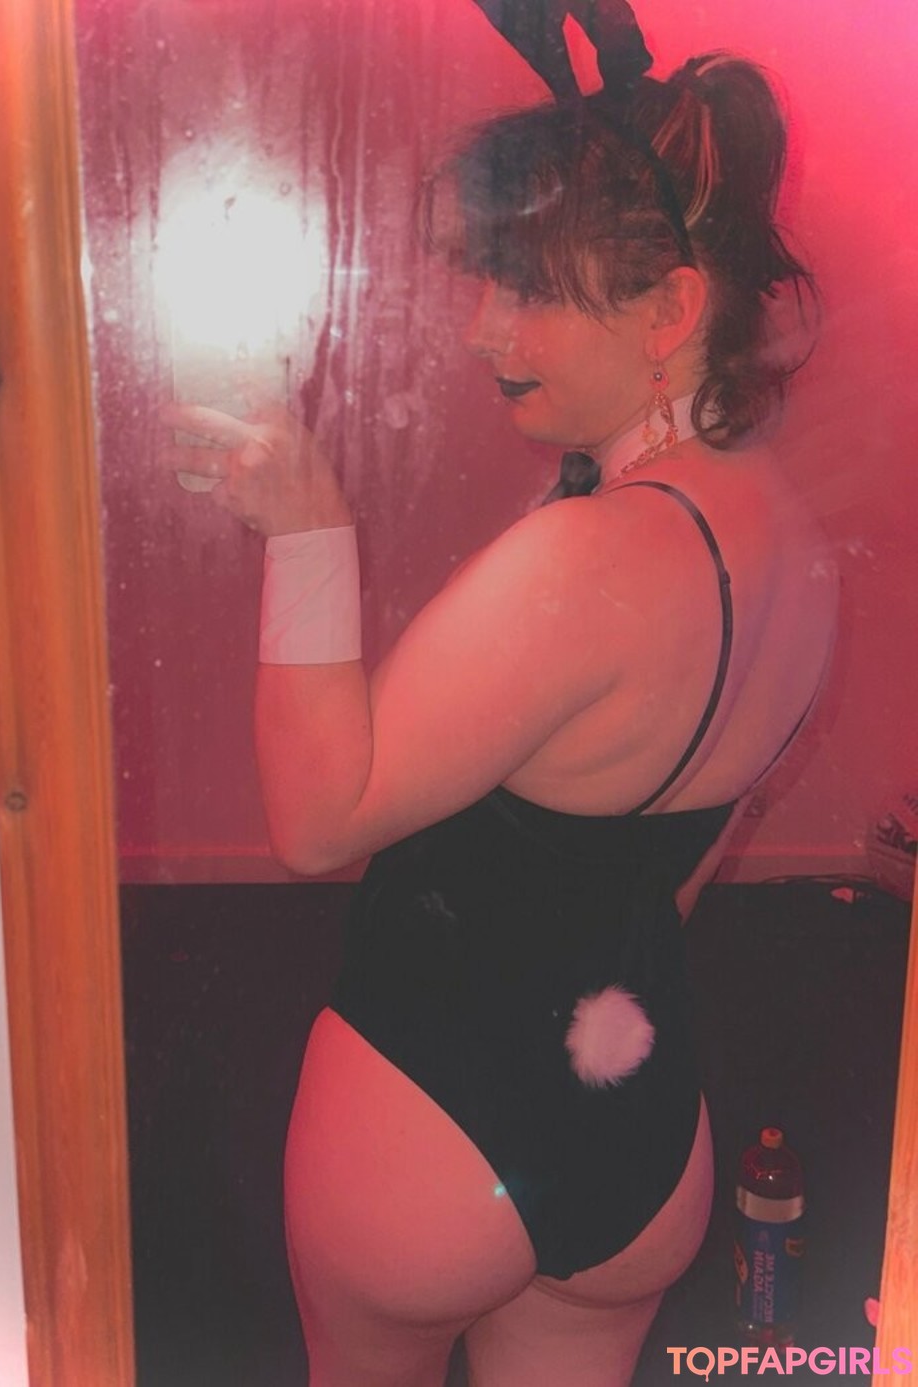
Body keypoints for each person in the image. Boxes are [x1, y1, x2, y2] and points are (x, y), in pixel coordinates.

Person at [164, 7, 837, 1383]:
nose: (483, 330)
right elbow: (670, 869)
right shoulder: (794, 543)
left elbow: (318, 820)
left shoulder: (590, 557)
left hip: (432, 1123)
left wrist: (309, 530)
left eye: (528, 289)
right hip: (642, 1132)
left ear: (671, 312)